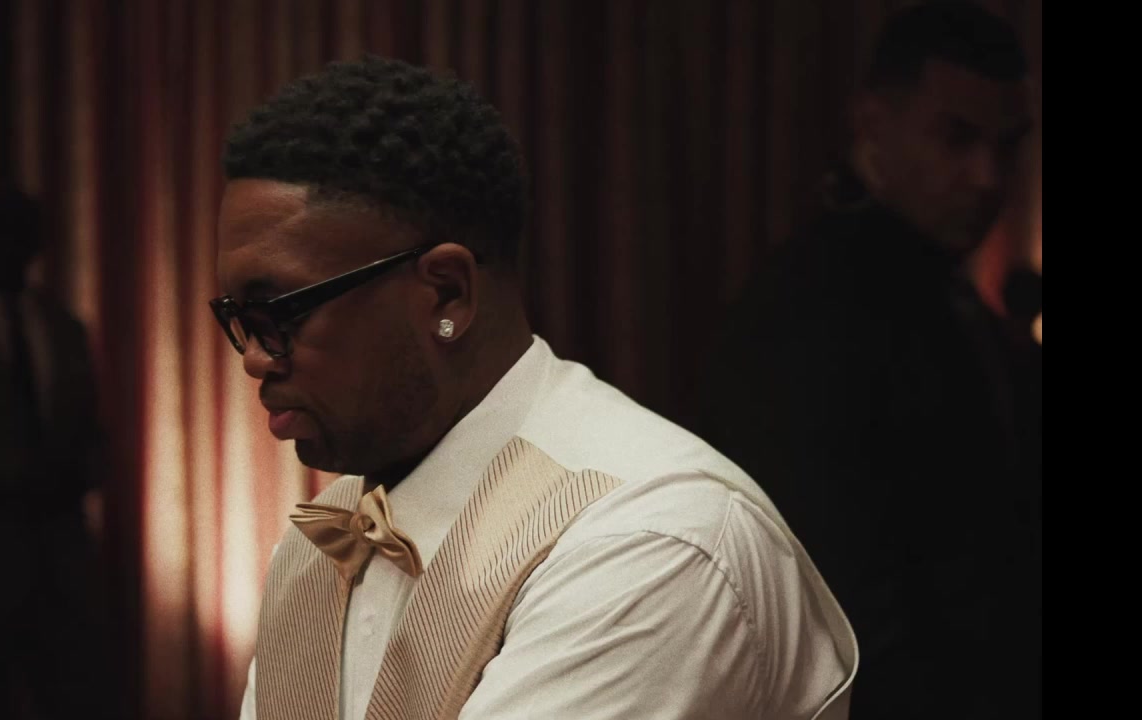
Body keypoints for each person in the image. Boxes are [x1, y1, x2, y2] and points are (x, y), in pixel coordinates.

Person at [213, 55, 857, 720]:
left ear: (447, 293)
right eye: (237, 318)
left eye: (280, 313)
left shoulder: (647, 540)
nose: (254, 359)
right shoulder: (321, 545)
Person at [698, 3, 1041, 717]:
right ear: (873, 122)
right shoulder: (812, 307)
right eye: (956, 137)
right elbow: (840, 603)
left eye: (1007, 145)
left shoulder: (944, 290)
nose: (987, 177)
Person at [0, 188, 114, 719]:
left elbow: (88, 427)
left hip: (59, 557)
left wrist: (84, 470)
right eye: (5, 234)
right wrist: (6, 479)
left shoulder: (62, 326)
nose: (19, 249)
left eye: (28, 237)